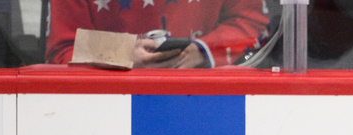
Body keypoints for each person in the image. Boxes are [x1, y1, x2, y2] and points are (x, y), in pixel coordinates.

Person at [46, 0, 268, 68]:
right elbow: (63, 48)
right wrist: (121, 53)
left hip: (207, 97)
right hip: (109, 106)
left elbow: (254, 25)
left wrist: (202, 51)